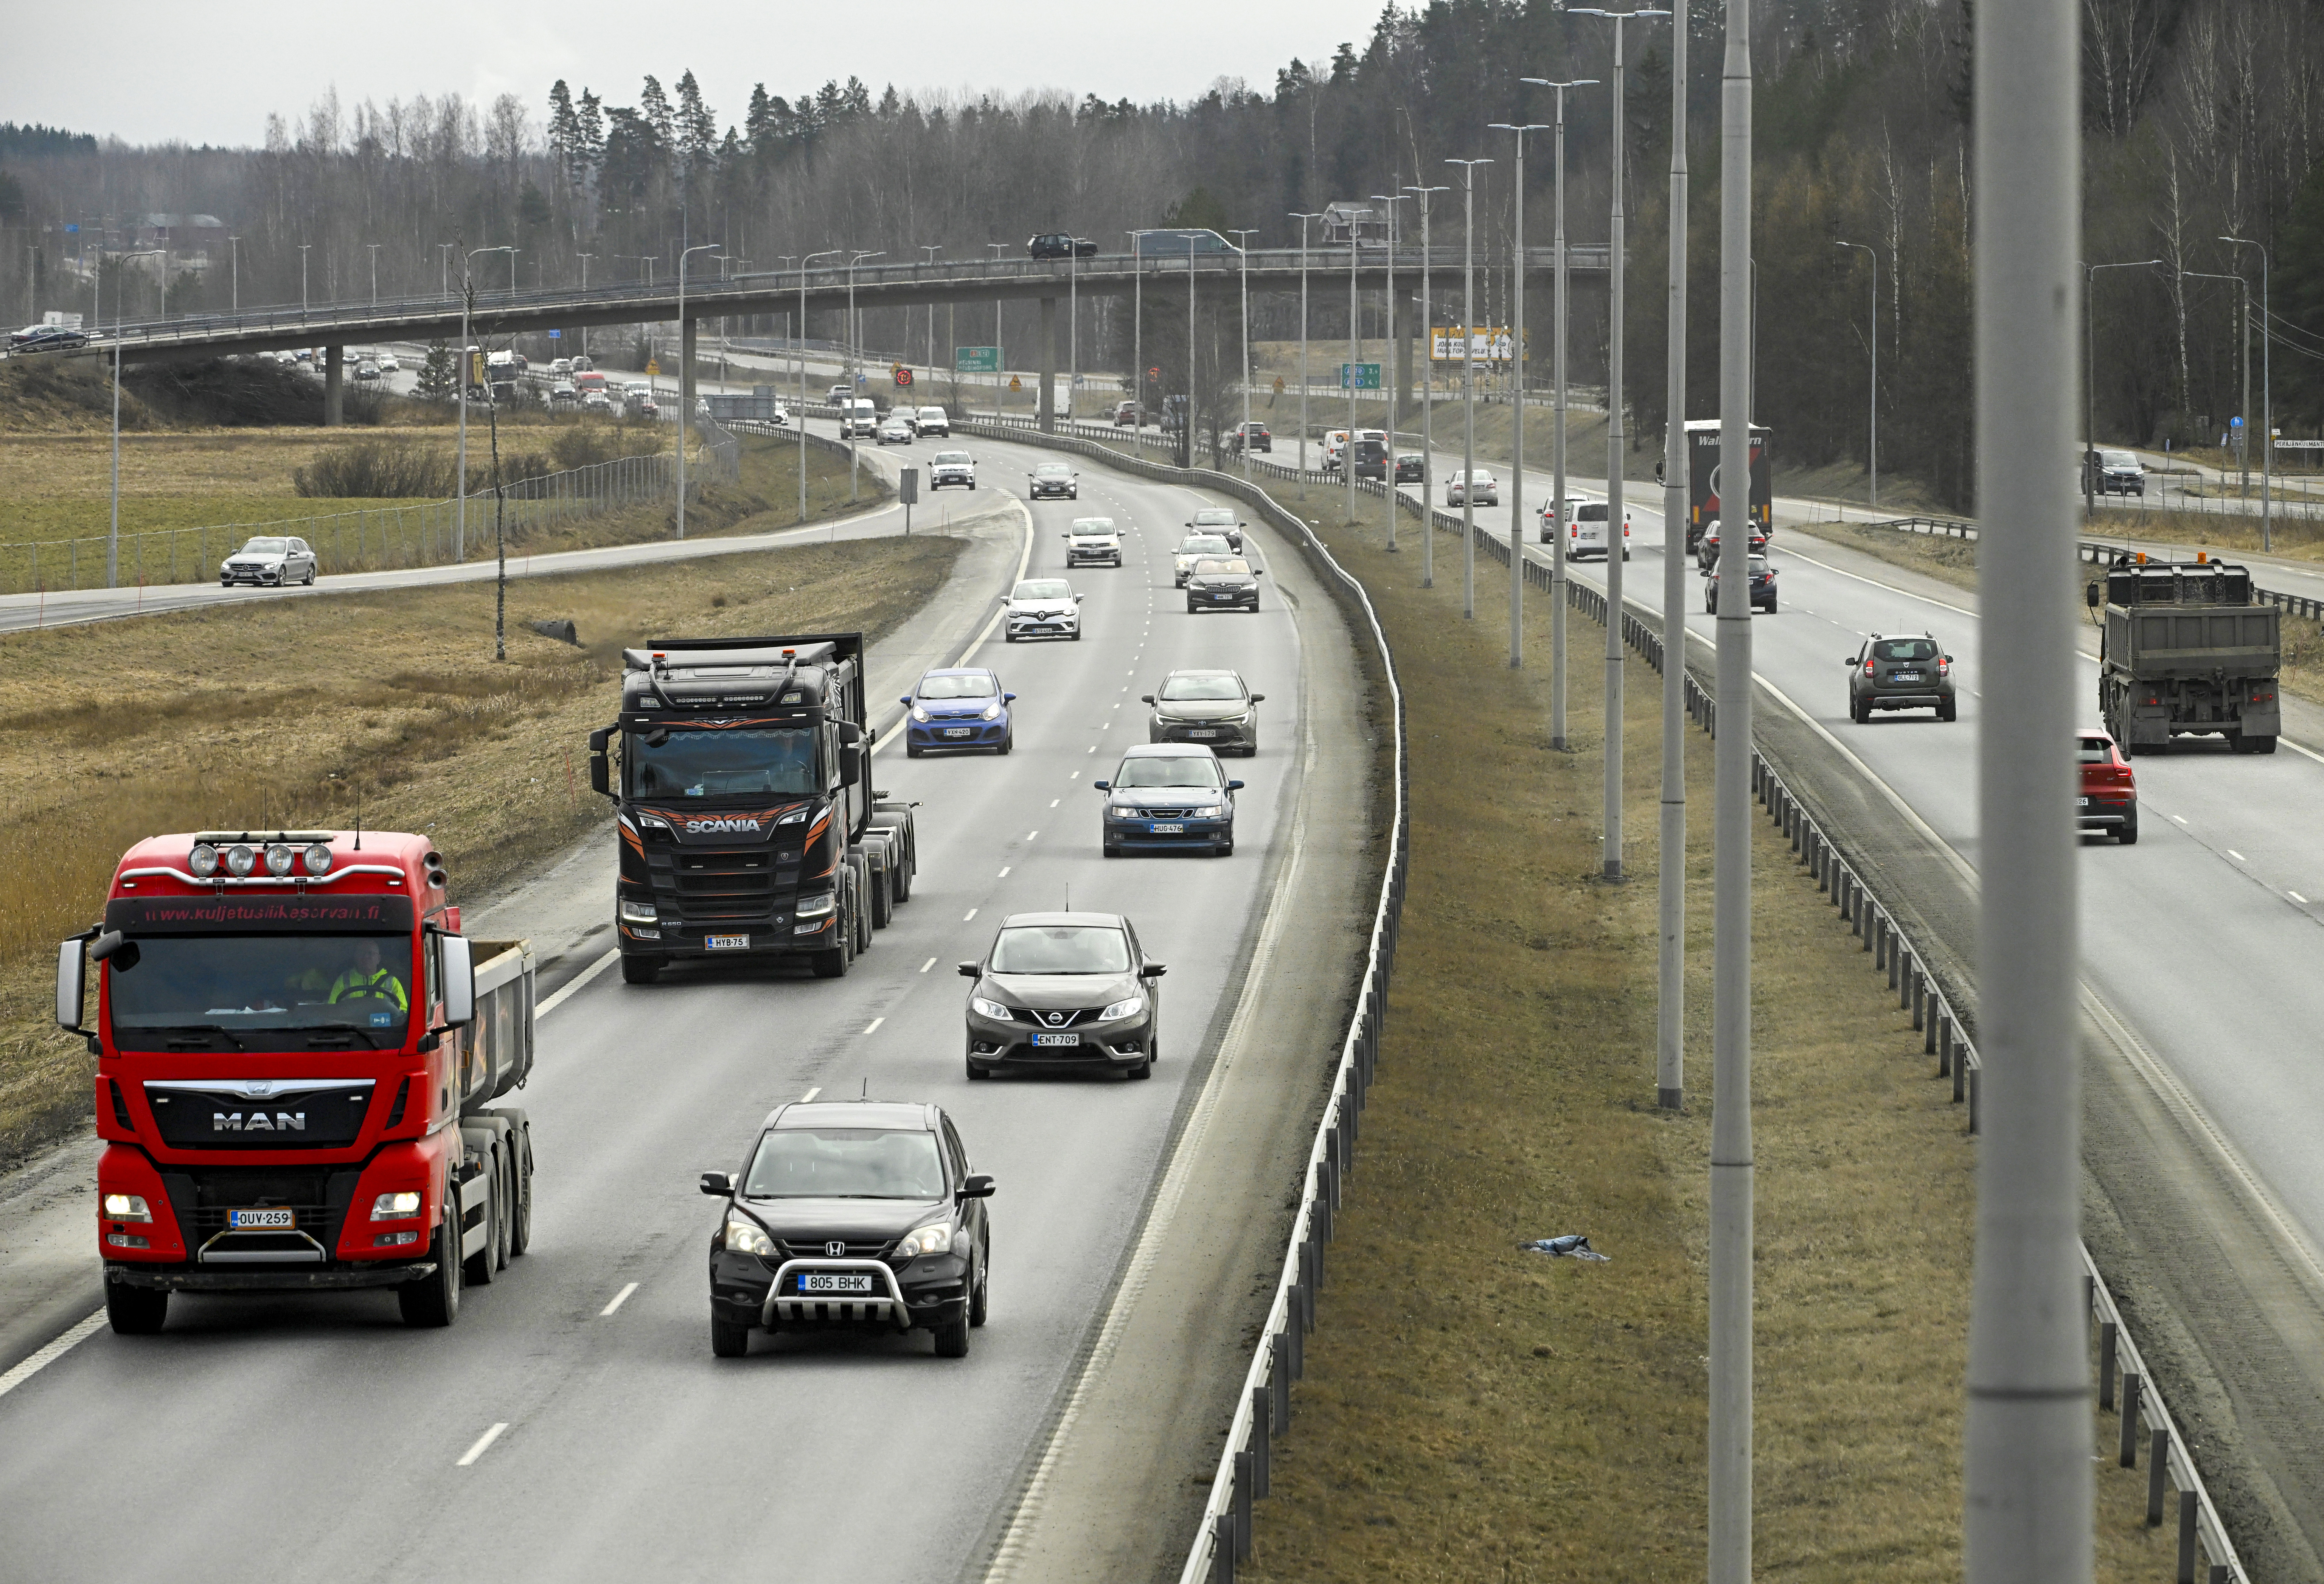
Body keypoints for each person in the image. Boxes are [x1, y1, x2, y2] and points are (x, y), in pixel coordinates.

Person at [329, 939, 409, 1013]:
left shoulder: (392, 982)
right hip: (350, 1027)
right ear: (356, 957)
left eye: (371, 953)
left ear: (379, 959)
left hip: (384, 1028)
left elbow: (402, 1013)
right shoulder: (344, 980)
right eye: (362, 953)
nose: (366, 957)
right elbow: (332, 1010)